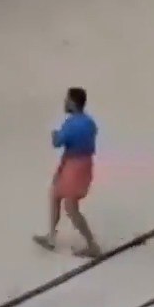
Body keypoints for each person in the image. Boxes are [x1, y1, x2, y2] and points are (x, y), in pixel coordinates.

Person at [33, 87, 101, 258]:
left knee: (70, 207)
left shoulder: (70, 124)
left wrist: (54, 135)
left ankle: (92, 245)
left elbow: (58, 143)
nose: (64, 102)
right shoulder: (90, 122)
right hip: (83, 165)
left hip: (73, 167)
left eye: (67, 100)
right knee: (56, 195)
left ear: (72, 103)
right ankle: (52, 237)